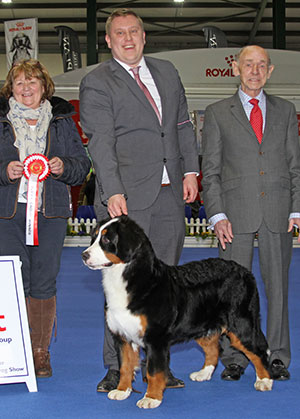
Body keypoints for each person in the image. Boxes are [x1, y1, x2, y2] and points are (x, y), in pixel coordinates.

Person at [79, 8, 199, 392]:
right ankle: (117, 368)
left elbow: (182, 125)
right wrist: (113, 189)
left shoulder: (166, 71)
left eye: (134, 31)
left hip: (169, 193)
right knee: (119, 288)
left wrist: (191, 171)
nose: (128, 38)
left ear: (144, 37)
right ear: (109, 41)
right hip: (126, 197)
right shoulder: (97, 82)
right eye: (119, 33)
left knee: (164, 286)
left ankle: (157, 364)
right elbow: (101, 141)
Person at [202, 45, 300, 382]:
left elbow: (295, 166)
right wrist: (216, 215)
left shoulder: (287, 111)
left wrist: (297, 207)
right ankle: (234, 357)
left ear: (270, 71)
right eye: (248, 65)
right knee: (230, 292)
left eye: (261, 65)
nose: (255, 71)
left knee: (278, 289)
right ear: (235, 68)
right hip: (234, 216)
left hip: (278, 212)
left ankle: (277, 356)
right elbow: (210, 170)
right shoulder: (216, 113)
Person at [0, 59, 91, 378]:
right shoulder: (1, 120)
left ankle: (39, 352)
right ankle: (13, 348)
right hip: (8, 213)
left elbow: (83, 165)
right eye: (19, 82)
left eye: (32, 82)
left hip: (50, 212)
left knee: (44, 280)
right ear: (11, 89)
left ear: (44, 87)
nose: (26, 88)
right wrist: (4, 171)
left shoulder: (63, 121)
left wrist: (63, 166)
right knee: (12, 281)